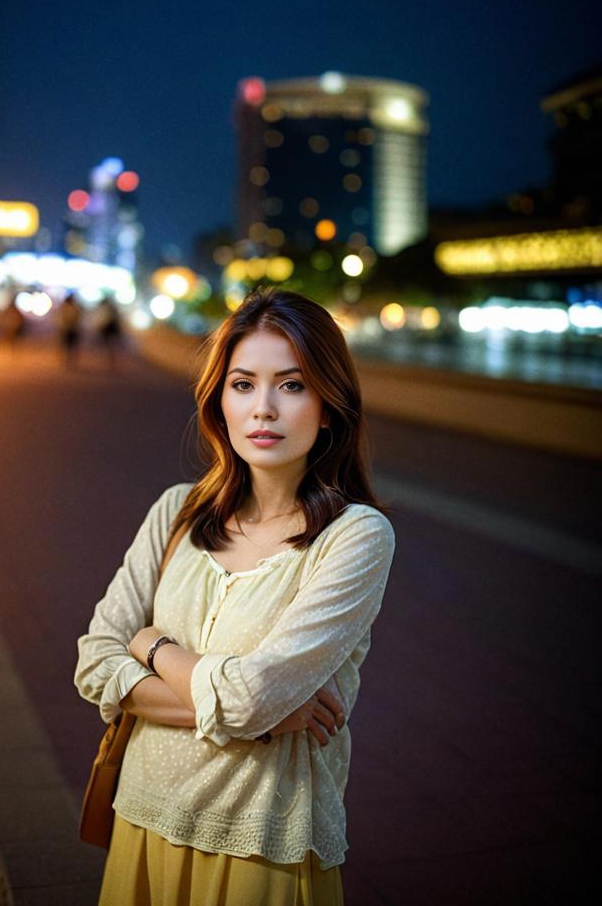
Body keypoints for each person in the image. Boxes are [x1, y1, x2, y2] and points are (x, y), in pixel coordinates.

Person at [74, 287, 396, 906]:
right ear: (220, 402)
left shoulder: (354, 537)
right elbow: (93, 664)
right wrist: (272, 712)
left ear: (330, 405)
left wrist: (151, 645)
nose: (264, 409)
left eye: (292, 385)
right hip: (141, 819)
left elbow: (251, 702)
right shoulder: (176, 512)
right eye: (243, 384)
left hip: (261, 843)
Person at [59, 292, 83, 366]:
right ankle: (68, 358)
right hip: (68, 328)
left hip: (71, 328)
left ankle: (71, 358)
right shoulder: (66, 308)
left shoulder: (73, 308)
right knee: (68, 344)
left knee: (71, 344)